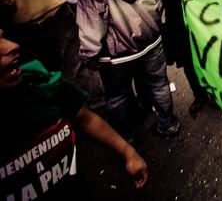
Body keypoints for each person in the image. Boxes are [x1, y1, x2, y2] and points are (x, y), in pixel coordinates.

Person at [0, 30, 149, 199]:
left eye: (3, 37)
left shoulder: (40, 83)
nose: (12, 46)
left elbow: (85, 119)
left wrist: (127, 152)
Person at [76, 0, 180, 140]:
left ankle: (125, 137)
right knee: (159, 84)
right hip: (151, 43)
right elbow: (157, 5)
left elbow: (91, 27)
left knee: (117, 96)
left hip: (115, 55)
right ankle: (167, 124)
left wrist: (90, 55)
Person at [151, 0, 209, 117]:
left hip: (196, 22)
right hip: (174, 27)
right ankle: (199, 95)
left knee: (206, 59)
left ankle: (215, 93)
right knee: (187, 64)